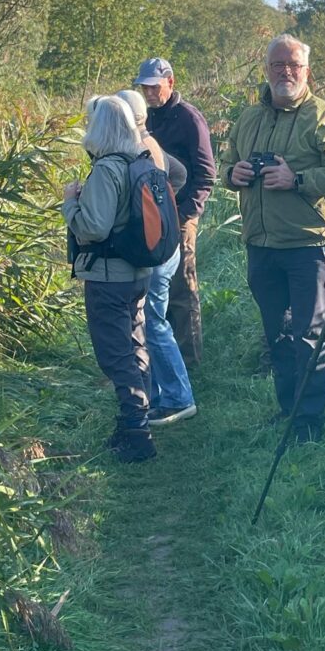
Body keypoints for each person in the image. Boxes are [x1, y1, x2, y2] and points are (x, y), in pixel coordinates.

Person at [219, 34, 325, 442]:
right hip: (260, 243)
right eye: (278, 65)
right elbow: (224, 163)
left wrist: (297, 180)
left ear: (307, 70)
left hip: (307, 244)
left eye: (294, 65)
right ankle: (287, 410)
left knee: (309, 333)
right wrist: (233, 175)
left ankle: (309, 421)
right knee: (276, 332)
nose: (286, 72)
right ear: (267, 69)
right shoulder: (248, 118)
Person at [62, 95, 155, 463]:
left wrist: (70, 202)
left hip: (108, 277)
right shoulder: (139, 161)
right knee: (136, 346)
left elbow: (95, 228)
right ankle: (137, 420)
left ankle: (136, 431)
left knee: (115, 355)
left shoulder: (107, 168)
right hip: (137, 272)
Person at [116, 89, 197, 427]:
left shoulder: (142, 148)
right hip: (163, 247)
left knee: (153, 322)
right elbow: (177, 174)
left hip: (159, 253)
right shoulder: (148, 142)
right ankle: (166, 394)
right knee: (151, 320)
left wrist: (161, 210)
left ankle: (179, 397)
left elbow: (181, 175)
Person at [134, 57, 216, 369]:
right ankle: (160, 356)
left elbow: (207, 174)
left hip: (180, 215)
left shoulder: (188, 118)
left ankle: (190, 362)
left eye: (155, 86)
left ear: (171, 82)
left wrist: (184, 216)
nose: (150, 92)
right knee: (154, 285)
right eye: (145, 87)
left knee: (182, 285)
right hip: (151, 214)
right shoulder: (144, 119)